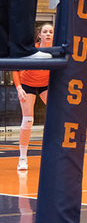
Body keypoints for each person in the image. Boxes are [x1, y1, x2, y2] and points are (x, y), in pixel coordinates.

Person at [12, 23, 53, 170]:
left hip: (45, 86)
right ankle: (22, 158)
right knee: (28, 119)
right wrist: (19, 88)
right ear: (39, 35)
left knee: (58, 115)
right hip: (27, 84)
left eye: (51, 32)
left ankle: (56, 154)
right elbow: (16, 70)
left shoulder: (56, 51)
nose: (48, 34)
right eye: (45, 32)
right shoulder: (32, 50)